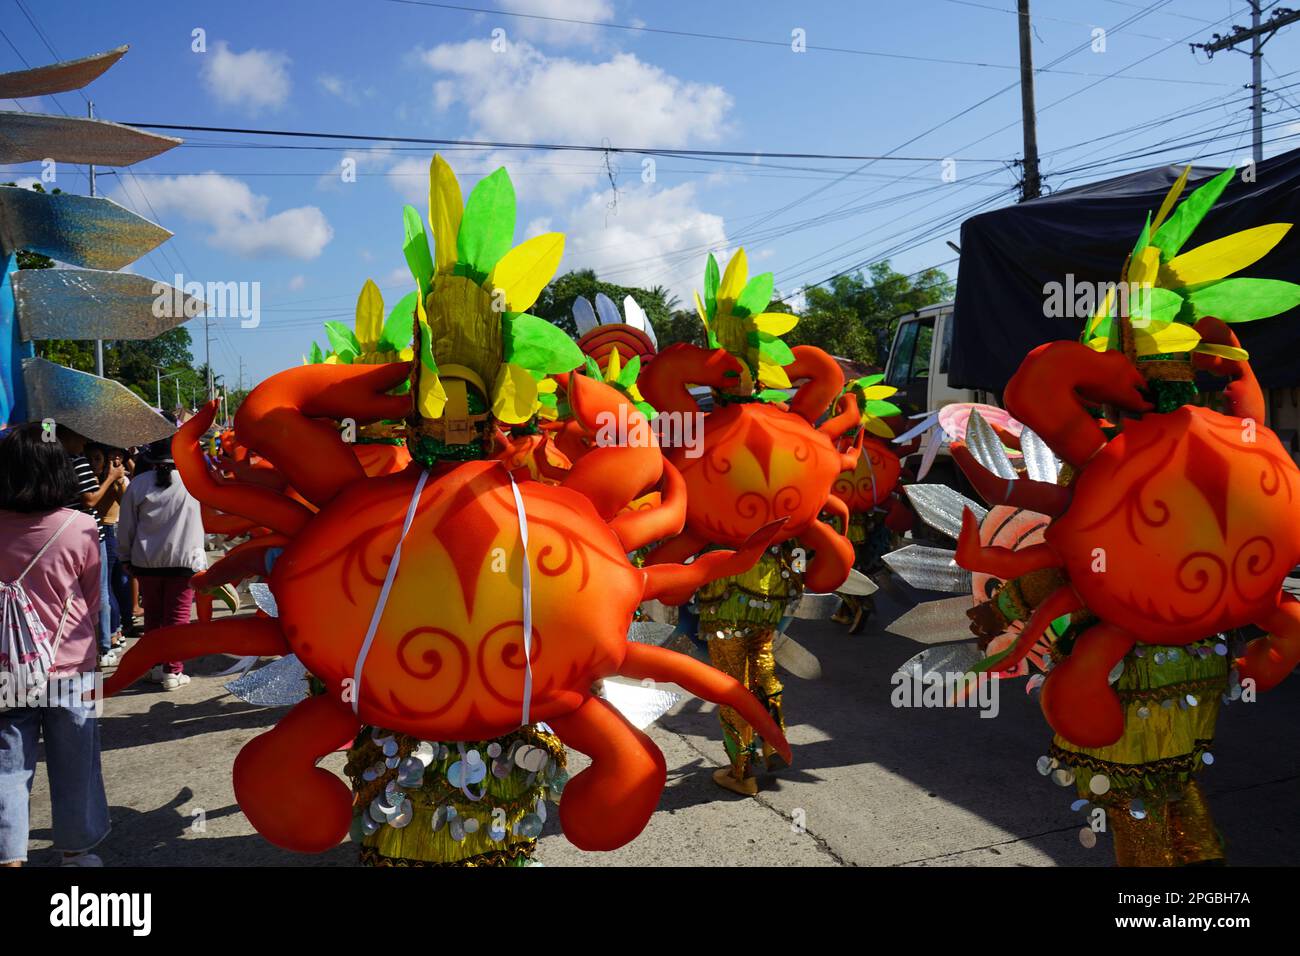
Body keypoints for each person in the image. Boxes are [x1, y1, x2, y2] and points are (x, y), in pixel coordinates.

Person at [0, 423, 110, 867]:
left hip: (6, 666)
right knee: (78, 761)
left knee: (8, 763)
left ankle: (9, 854)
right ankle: (76, 852)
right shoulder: (81, 526)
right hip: (74, 665)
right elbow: (94, 601)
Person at [117, 439, 207, 691]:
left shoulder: (138, 485)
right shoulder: (193, 483)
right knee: (177, 618)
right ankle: (173, 670)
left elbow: (126, 528)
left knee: (153, 619)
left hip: (146, 563)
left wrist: (125, 556)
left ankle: (156, 667)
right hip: (184, 562)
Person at [56, 427, 122, 668]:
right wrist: (111, 478)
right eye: (80, 435)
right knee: (99, 593)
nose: (84, 441)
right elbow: (90, 499)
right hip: (90, 535)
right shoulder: (76, 460)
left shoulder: (52, 460)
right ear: (68, 435)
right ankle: (102, 647)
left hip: (62, 535)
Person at [87, 446, 130, 651]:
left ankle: (114, 631)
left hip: (110, 530)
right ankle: (115, 630)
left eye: (98, 459)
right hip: (99, 530)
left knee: (111, 586)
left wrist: (117, 479)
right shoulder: (94, 479)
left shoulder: (111, 480)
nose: (95, 463)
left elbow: (126, 501)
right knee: (108, 586)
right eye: (93, 459)